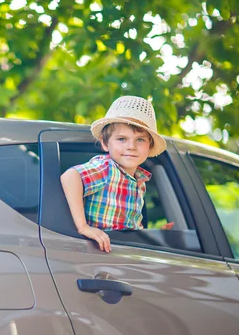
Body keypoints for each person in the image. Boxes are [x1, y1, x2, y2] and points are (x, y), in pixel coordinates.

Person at [60, 95, 168, 252]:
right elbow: (70, 177)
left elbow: (131, 227)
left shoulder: (139, 182)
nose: (131, 146)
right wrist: (83, 227)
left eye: (140, 140)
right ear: (105, 143)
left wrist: (159, 235)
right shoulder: (106, 168)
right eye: (122, 139)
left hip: (122, 252)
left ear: (149, 147)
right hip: (98, 252)